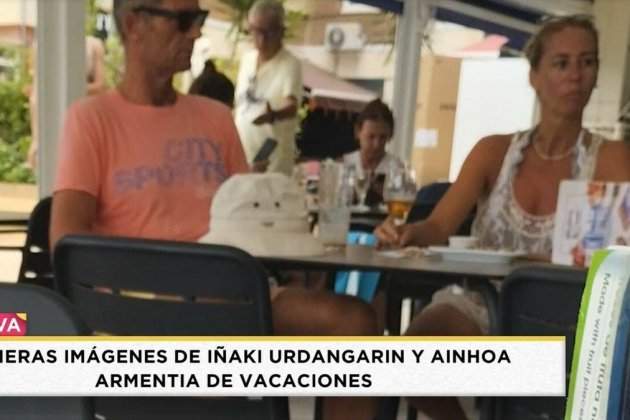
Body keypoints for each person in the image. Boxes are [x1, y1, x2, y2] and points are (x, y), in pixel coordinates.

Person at [51, 2, 377, 419]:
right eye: (184, 21)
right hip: (139, 308)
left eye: (199, 20)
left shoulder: (216, 119)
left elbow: (251, 216)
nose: (196, 33)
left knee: (354, 324)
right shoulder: (91, 120)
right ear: (134, 24)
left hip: (231, 295)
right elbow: (67, 241)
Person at [375, 15, 630, 420]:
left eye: (587, 62)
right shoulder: (494, 152)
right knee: (408, 360)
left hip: (572, 314)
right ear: (534, 76)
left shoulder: (614, 158)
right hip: (482, 305)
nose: (576, 75)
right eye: (562, 63)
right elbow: (439, 226)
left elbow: (622, 254)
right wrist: (406, 232)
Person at [234, 0, 302, 175]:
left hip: (274, 165)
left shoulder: (290, 64)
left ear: (280, 32)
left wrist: (273, 115)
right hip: (243, 159)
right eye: (256, 31)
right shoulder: (247, 59)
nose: (261, 39)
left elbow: (292, 106)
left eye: (268, 32)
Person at [27, 35, 106, 169]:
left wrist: (65, 89)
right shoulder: (41, 44)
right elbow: (36, 94)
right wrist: (35, 138)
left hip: (81, 117)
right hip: (51, 115)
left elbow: (100, 86)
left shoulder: (94, 45)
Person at [343, 99, 403, 205]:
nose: (377, 144)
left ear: (390, 135)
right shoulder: (345, 164)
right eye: (371, 137)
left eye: (383, 137)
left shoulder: (396, 168)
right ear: (358, 132)